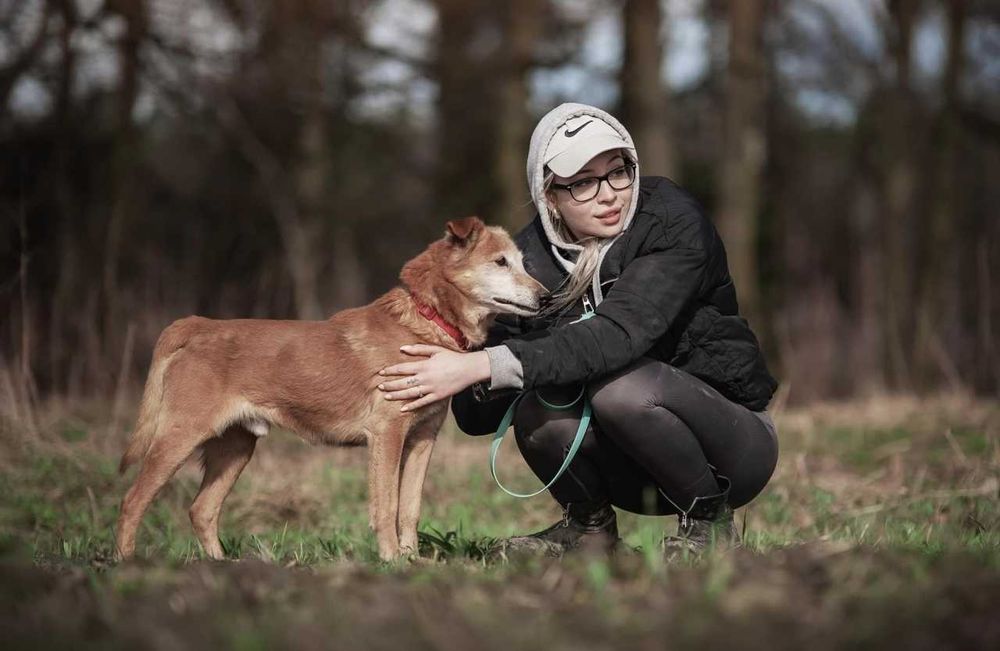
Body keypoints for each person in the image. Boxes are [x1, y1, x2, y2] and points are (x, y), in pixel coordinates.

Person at [377, 103, 779, 556]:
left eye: (618, 171)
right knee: (535, 402)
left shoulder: (671, 221)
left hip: (729, 449)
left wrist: (481, 364)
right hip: (623, 466)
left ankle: (711, 527)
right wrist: (464, 342)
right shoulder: (523, 261)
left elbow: (617, 335)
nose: (609, 194)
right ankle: (590, 531)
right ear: (549, 195)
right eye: (583, 183)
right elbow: (478, 418)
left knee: (620, 386)